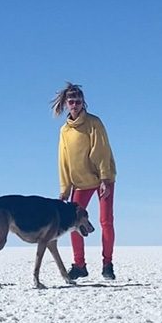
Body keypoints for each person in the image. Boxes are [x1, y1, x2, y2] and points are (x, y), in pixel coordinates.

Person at [51, 82, 118, 280]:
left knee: (106, 221)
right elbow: (63, 160)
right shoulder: (64, 130)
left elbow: (101, 150)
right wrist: (65, 188)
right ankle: (79, 265)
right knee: (73, 223)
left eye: (78, 101)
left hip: (102, 179)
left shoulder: (94, 123)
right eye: (71, 101)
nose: (75, 105)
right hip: (80, 182)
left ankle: (107, 264)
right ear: (66, 103)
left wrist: (104, 177)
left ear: (83, 103)